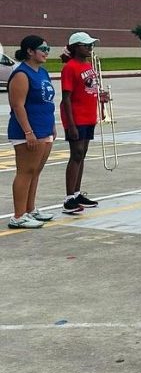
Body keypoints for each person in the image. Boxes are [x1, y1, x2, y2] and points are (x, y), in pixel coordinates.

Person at [6, 36, 56, 229]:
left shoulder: (42, 72)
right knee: (25, 172)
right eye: (43, 48)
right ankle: (18, 216)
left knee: (36, 171)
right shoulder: (21, 74)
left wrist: (52, 127)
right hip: (27, 131)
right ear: (30, 51)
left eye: (48, 48)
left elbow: (47, 102)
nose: (46, 52)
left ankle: (30, 209)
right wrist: (28, 131)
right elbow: (17, 105)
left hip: (44, 128)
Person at [59, 32, 106, 214]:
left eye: (91, 45)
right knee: (76, 154)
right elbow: (66, 98)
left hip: (88, 116)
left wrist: (101, 99)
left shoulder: (88, 65)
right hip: (76, 117)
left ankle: (77, 193)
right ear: (76, 47)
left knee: (82, 154)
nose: (89, 48)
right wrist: (70, 125)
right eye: (86, 45)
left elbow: (89, 88)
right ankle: (69, 198)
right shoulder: (69, 68)